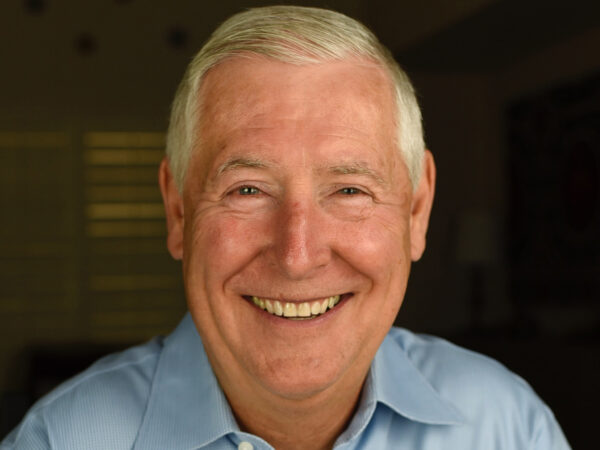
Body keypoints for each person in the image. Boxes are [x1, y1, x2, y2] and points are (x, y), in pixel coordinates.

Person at [1, 5, 570, 450]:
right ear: (178, 210)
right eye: (247, 190)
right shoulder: (60, 440)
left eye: (349, 190)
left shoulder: (509, 423)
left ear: (417, 208)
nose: (298, 255)